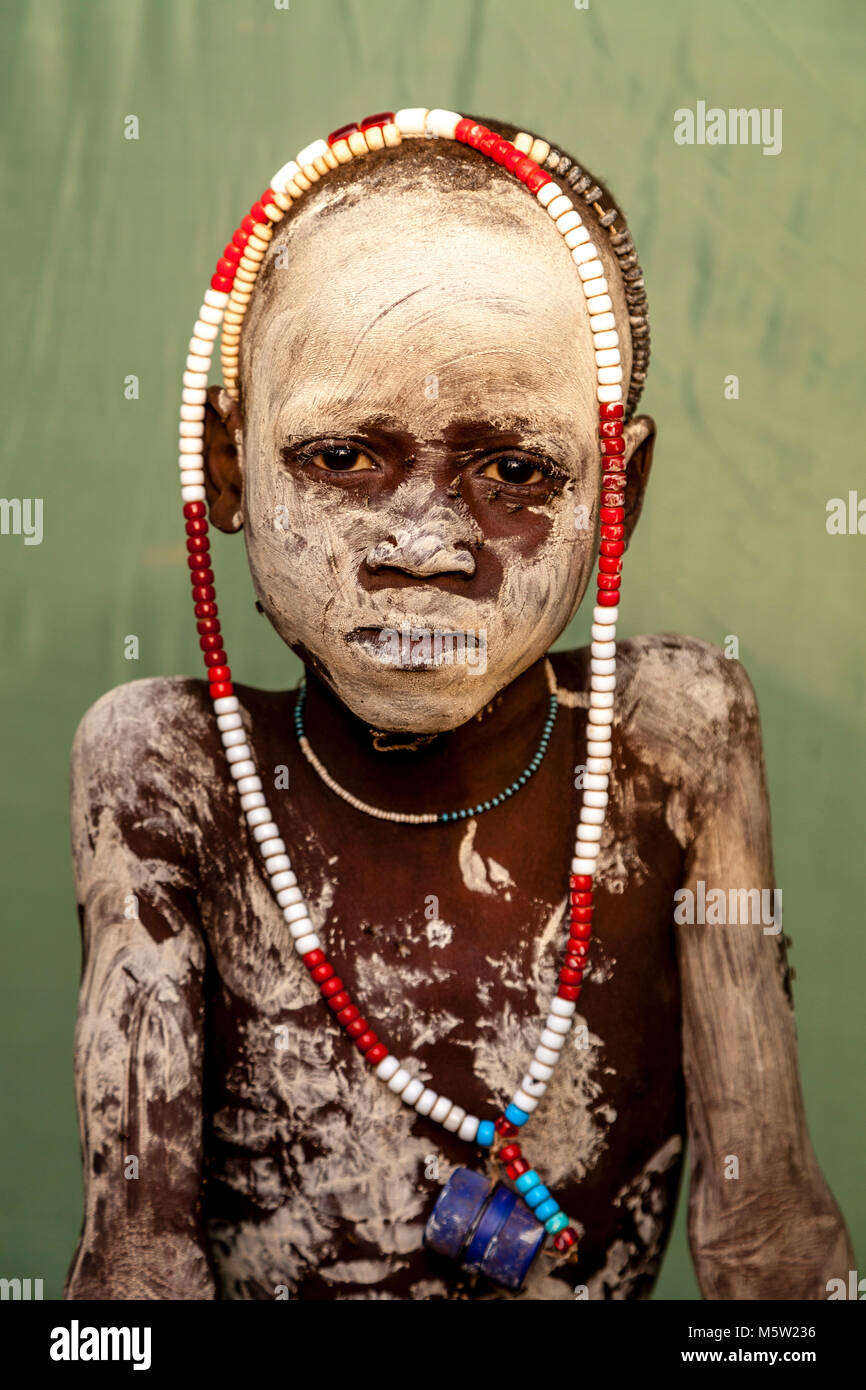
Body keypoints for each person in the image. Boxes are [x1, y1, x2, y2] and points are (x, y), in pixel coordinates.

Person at [65, 111, 852, 1300]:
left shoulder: (669, 737)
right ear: (227, 468)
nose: (426, 546)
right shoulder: (172, 768)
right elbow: (135, 1274)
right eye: (340, 459)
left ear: (616, 492)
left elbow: (768, 1236)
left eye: (515, 473)